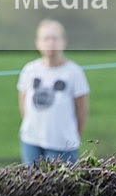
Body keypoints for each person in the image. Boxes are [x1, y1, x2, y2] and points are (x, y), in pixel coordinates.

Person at [17, 19, 90, 165]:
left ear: (64, 42)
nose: (50, 43)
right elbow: (23, 103)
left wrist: (71, 136)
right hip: (31, 141)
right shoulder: (29, 70)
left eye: (55, 38)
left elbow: (82, 111)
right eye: (46, 38)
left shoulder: (74, 73)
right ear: (37, 43)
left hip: (62, 144)